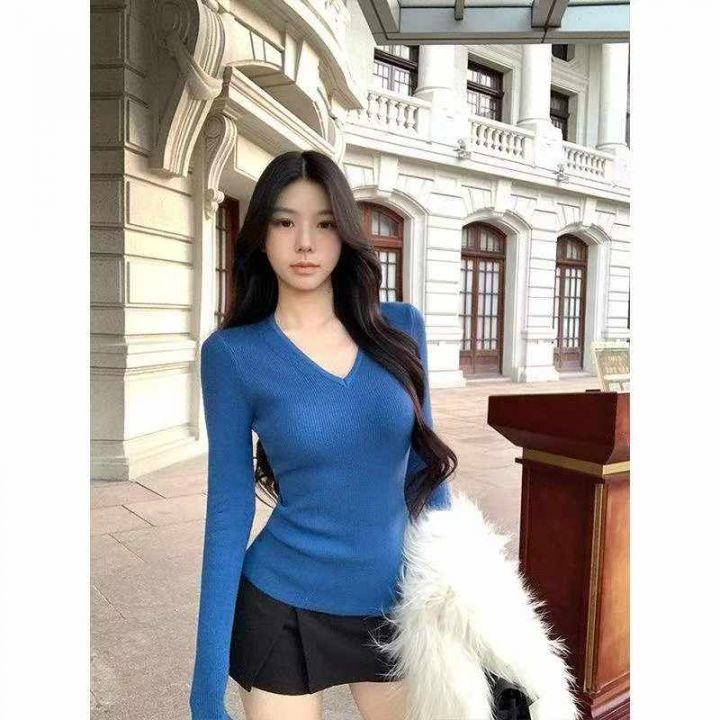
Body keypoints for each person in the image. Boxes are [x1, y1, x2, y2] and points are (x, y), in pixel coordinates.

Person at [189, 150, 457, 720]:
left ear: (346, 233)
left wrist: (461, 598)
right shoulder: (232, 355)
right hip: (283, 606)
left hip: (397, 606)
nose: (305, 243)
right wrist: (205, 687)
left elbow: (427, 475)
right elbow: (228, 511)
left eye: (325, 223)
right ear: (261, 235)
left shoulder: (400, 329)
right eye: (285, 222)